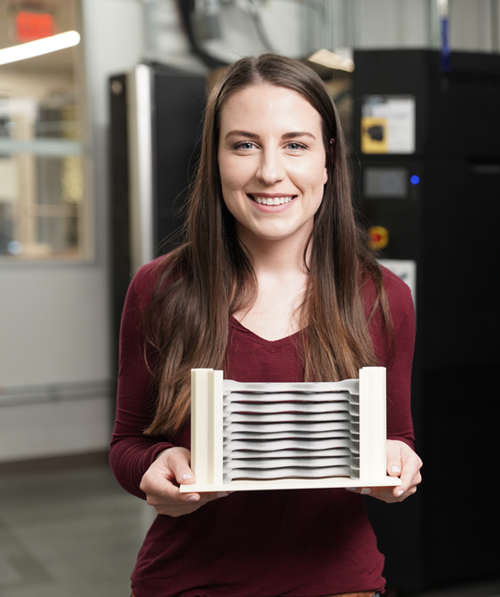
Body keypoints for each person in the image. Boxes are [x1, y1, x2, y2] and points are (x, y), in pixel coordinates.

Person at [110, 53, 422, 597]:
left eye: (295, 144)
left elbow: (396, 437)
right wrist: (155, 466)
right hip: (190, 584)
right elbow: (126, 444)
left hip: (338, 584)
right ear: (216, 159)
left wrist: (398, 464)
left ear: (328, 159)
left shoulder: (382, 298)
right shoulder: (160, 288)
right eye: (244, 144)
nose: (269, 171)